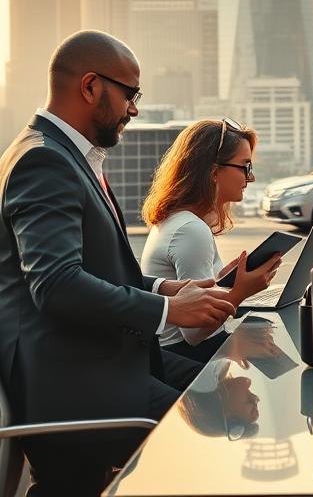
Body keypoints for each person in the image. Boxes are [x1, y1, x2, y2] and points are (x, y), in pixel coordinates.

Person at [0, 31, 236, 496]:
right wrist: (169, 313)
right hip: (72, 385)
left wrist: (166, 291)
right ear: (90, 87)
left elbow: (93, 271)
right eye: (131, 94)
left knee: (217, 389)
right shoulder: (44, 161)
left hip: (99, 363)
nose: (135, 108)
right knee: (202, 434)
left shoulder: (66, 155)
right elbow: (57, 285)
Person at [141, 119, 282, 363]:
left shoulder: (179, 221)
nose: (251, 178)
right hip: (184, 361)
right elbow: (196, 333)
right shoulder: (191, 229)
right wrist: (239, 292)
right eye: (245, 167)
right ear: (214, 172)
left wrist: (222, 284)